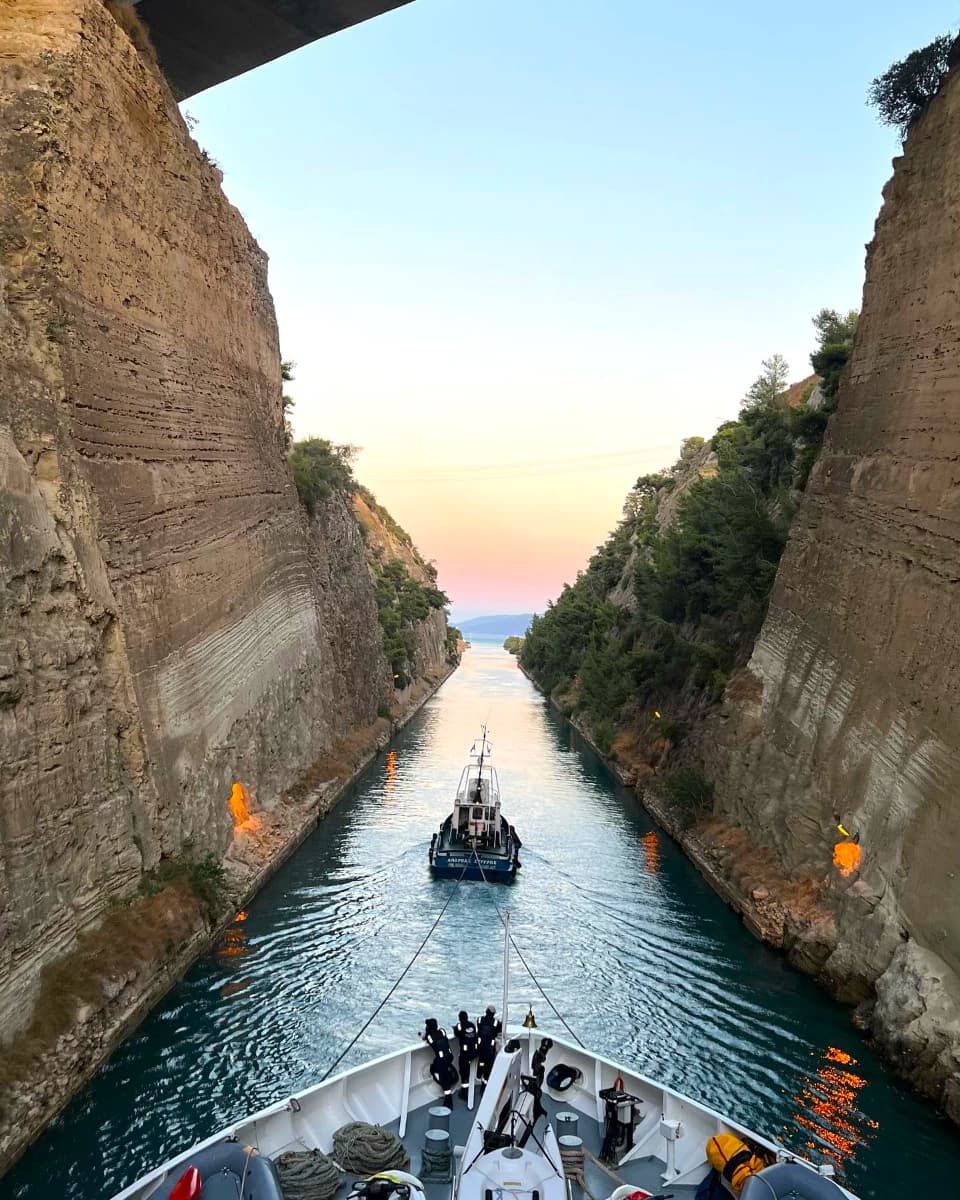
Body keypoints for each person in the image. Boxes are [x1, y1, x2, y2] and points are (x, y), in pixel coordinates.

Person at [423, 1017, 459, 1107]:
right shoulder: (442, 1031)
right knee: (435, 1066)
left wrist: (427, 1033)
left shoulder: (430, 1037)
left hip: (442, 1060)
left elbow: (428, 1039)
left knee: (444, 1079)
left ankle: (448, 1100)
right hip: (449, 1057)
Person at [453, 1010, 478, 1099]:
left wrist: (455, 1028)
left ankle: (464, 1092)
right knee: (469, 1070)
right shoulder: (472, 1025)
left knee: (463, 1072)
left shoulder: (459, 1026)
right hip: (474, 1052)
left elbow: (457, 1033)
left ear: (459, 1018)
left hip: (465, 1053)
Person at [476, 1005, 501, 1085]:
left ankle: (479, 1075)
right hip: (490, 1048)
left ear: (486, 1011)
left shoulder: (479, 1020)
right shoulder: (496, 1022)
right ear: (493, 1014)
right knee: (488, 1065)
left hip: (480, 1047)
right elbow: (498, 1030)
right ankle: (485, 1082)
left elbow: (479, 1027)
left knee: (481, 1061)